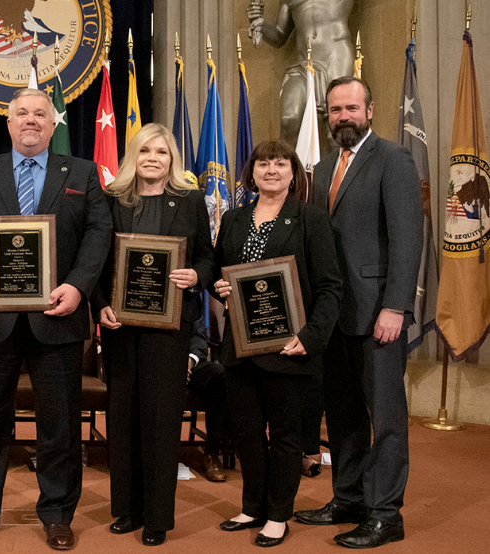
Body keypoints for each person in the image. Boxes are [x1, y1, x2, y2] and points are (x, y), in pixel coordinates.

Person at [0, 88, 112, 551]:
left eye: (40, 114)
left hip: (58, 319)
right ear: (9, 123)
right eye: (22, 114)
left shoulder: (81, 173)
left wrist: (78, 285)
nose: (31, 121)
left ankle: (57, 514)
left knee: (58, 426)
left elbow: (100, 232)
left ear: (53, 124)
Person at [294, 76, 423, 549]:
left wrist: (395, 306)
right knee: (343, 416)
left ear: (370, 110)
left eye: (351, 108)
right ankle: (348, 499)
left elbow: (409, 241)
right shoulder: (324, 168)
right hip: (334, 318)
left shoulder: (394, 160)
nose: (343, 116)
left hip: (378, 317)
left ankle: (386, 514)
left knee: (385, 417)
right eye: (335, 110)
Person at [90, 123, 215, 546]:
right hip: (120, 326)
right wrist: (98, 305)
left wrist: (197, 274)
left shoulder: (191, 200)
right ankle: (127, 508)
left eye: (161, 152)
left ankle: (158, 516)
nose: (153, 159)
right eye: (145, 151)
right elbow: (94, 261)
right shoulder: (111, 200)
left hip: (171, 328)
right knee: (123, 418)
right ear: (133, 157)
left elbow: (207, 257)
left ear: (171, 159)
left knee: (161, 421)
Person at [212, 140, 341, 548]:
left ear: (293, 173)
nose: (271, 170)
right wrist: (219, 289)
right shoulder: (233, 220)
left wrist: (310, 338)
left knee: (286, 435)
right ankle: (252, 506)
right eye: (263, 163)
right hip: (240, 347)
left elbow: (329, 288)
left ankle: (278, 514)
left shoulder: (310, 220)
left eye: (280, 163)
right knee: (247, 433)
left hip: (289, 349)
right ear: (251, 173)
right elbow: (222, 275)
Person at [247, 0, 354, 155]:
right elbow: (279, 35)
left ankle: (336, 178)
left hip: (336, 55)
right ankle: (286, 175)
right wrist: (259, 23)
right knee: (289, 118)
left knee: (335, 128)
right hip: (303, 61)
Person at [187, 315, 229, 483]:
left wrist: (189, 361)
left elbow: (199, 337)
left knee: (220, 375)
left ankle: (212, 453)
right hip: (155, 363)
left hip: (188, 362)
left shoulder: (189, 293)